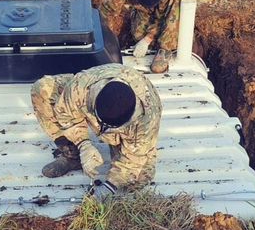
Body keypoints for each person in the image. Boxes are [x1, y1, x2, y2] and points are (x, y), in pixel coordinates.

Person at [31, 63, 162, 200]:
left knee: (139, 178)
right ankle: (72, 155)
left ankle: (116, 146)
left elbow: (135, 158)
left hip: (129, 132)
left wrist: (110, 187)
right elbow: (66, 115)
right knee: (43, 90)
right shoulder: (81, 87)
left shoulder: (146, 116)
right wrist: (83, 145)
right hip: (89, 99)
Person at [99, 0, 186, 74]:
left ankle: (165, 50)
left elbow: (162, 18)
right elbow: (107, 9)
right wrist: (104, 37)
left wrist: (147, 39)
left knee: (172, 21)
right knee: (137, 34)